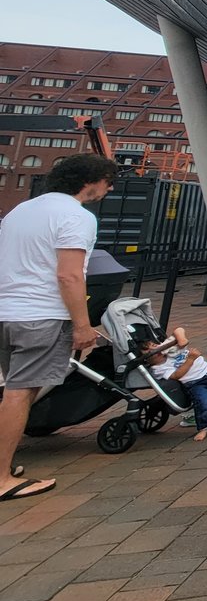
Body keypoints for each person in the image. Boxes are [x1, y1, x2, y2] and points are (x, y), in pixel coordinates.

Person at [0, 154, 117, 500]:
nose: (109, 189)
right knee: (20, 394)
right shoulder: (76, 216)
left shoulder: (21, 211)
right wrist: (82, 326)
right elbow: (68, 273)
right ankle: (2, 478)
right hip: (41, 314)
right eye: (107, 182)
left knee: (12, 391)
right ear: (90, 182)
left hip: (6, 311)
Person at [141, 326, 207, 441]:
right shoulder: (158, 368)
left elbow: (178, 330)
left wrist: (182, 340)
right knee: (202, 403)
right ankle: (203, 427)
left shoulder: (170, 348)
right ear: (145, 359)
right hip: (194, 383)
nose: (154, 350)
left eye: (154, 346)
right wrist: (190, 360)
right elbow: (177, 375)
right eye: (149, 351)